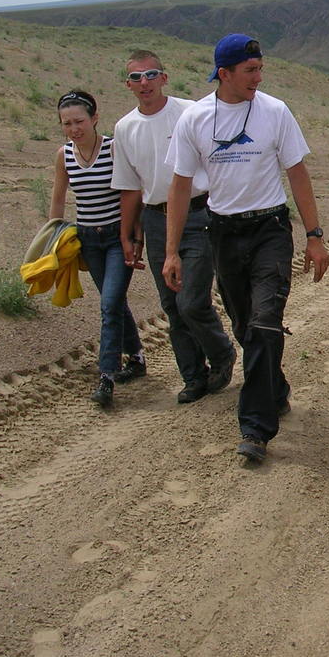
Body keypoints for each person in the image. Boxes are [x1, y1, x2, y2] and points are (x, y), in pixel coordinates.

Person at [162, 33, 329, 464]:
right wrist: (171, 251)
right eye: (250, 70)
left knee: (264, 323)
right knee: (244, 326)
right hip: (221, 232)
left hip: (270, 229)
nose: (259, 76)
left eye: (261, 68)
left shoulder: (274, 111)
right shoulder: (195, 119)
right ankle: (274, 386)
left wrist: (314, 236)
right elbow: (180, 187)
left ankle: (254, 428)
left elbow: (298, 173)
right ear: (225, 73)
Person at [112, 50, 237, 405]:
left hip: (199, 214)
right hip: (155, 218)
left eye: (151, 74)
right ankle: (193, 376)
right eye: (136, 77)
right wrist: (129, 233)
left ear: (164, 77)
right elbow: (130, 186)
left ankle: (222, 351)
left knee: (192, 300)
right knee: (171, 301)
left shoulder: (190, 112)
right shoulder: (124, 128)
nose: (144, 82)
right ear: (128, 85)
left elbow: (218, 161)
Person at [50, 90, 145, 408]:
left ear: (94, 119)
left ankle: (106, 376)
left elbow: (133, 192)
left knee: (108, 305)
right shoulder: (64, 155)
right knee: (113, 300)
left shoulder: (114, 148)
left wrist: (135, 237)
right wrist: (53, 236)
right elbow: (59, 197)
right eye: (67, 123)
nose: (74, 128)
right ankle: (137, 358)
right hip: (87, 240)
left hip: (118, 239)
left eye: (79, 121)